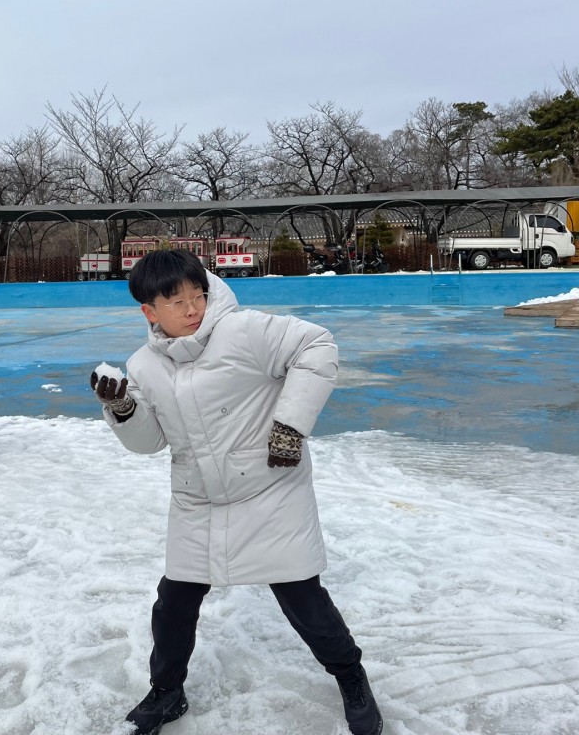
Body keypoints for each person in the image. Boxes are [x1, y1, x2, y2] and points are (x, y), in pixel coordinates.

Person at [90, 249, 383, 735]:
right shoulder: (143, 364)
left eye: (196, 296)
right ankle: (167, 693)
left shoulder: (243, 331)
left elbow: (317, 347)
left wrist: (289, 427)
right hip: (197, 499)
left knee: (303, 600)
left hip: (269, 491)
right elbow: (150, 443)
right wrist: (122, 407)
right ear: (149, 311)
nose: (191, 309)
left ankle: (352, 678)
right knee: (174, 604)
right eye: (176, 302)